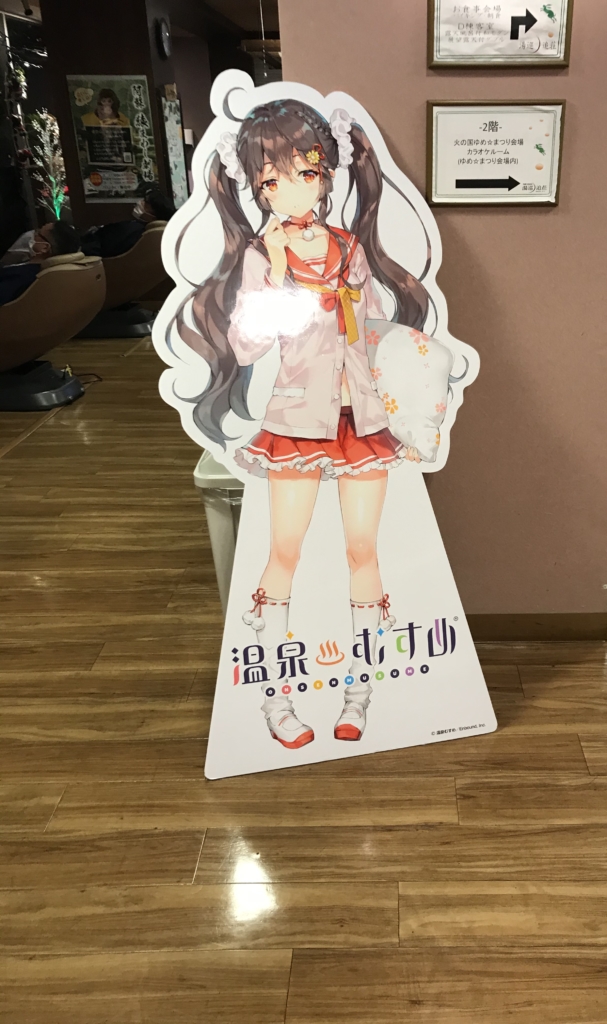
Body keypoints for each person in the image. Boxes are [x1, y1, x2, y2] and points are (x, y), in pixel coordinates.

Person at [171, 100, 432, 751]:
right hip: (296, 420)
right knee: (283, 552)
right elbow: (247, 345)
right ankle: (275, 699)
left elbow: (371, 330)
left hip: (361, 418)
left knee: (363, 552)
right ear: (258, 188)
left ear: (325, 175)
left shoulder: (350, 248)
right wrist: (278, 279)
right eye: (273, 180)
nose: (292, 190)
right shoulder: (261, 256)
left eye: (306, 174)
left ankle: (359, 693)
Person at [0, 221, 81, 306]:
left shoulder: (20, 276)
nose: (32, 235)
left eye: (37, 233)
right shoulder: (48, 274)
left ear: (44, 247)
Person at [81, 188, 176, 259]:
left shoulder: (131, 230)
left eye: (146, 202)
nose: (141, 202)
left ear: (153, 216)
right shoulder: (164, 237)